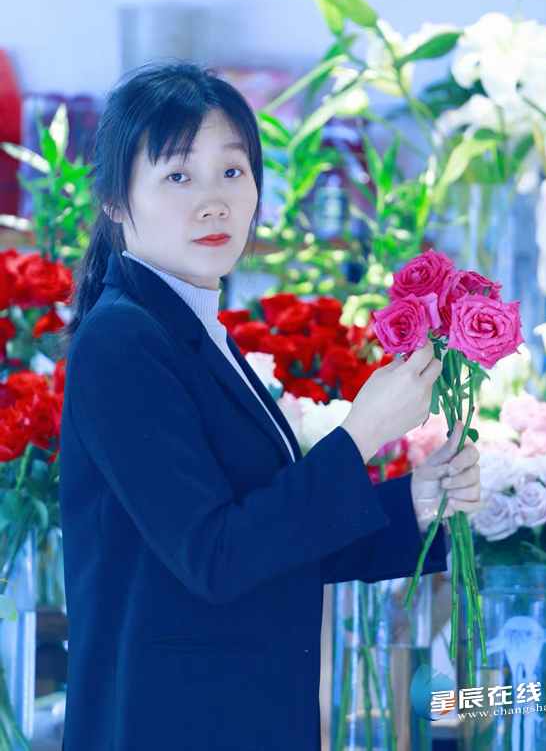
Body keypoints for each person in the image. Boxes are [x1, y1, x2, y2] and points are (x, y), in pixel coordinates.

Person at [57, 61, 482, 751]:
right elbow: (216, 555)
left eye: (232, 171)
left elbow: (274, 541)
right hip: (172, 725)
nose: (214, 202)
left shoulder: (193, 330)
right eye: (177, 175)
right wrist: (362, 431)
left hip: (234, 715)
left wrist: (415, 503)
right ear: (113, 198)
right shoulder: (122, 341)